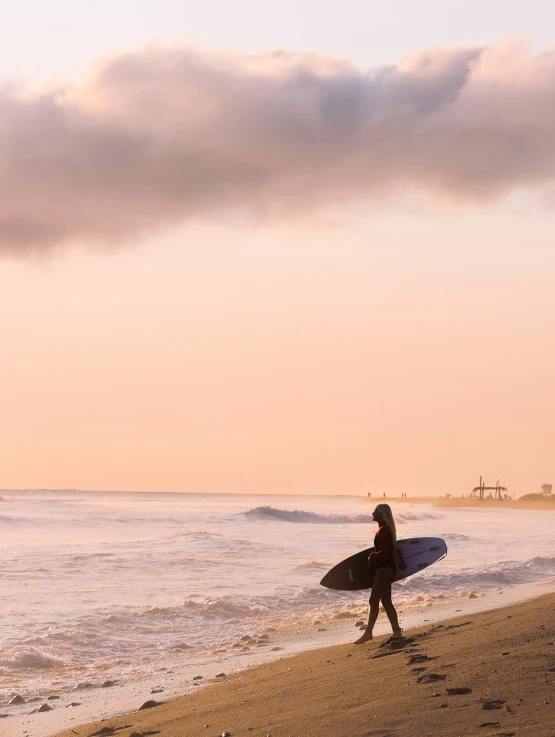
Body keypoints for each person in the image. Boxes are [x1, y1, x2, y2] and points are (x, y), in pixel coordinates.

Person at [355, 503, 403, 644]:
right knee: (373, 600)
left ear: (382, 514)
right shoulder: (384, 529)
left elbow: (386, 553)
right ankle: (368, 633)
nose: (372, 513)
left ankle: (397, 631)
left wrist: (373, 555)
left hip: (384, 569)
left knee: (386, 601)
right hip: (382, 569)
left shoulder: (384, 530)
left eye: (375, 511)